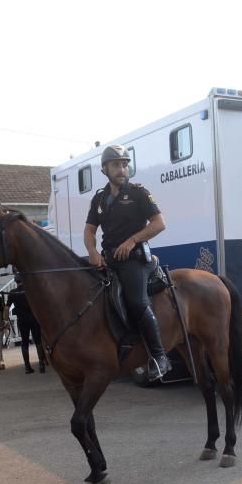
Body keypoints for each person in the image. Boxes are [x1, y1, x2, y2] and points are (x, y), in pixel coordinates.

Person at [83, 144, 171, 380]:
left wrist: (132, 240)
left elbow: (158, 223)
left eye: (124, 164)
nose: (122, 169)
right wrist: (92, 252)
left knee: (137, 302)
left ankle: (159, 356)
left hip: (135, 260)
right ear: (105, 169)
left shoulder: (139, 193)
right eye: (116, 165)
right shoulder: (99, 199)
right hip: (108, 260)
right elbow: (90, 230)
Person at [9, 274, 46, 374]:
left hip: (22, 320)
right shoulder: (31, 291)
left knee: (24, 343)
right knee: (38, 341)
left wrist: (5, 319)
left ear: (15, 282)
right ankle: (41, 364)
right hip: (34, 319)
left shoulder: (12, 293)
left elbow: (6, 308)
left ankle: (27, 367)